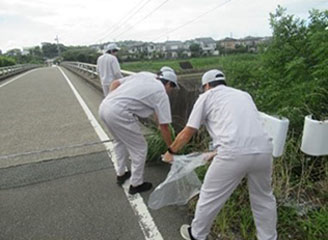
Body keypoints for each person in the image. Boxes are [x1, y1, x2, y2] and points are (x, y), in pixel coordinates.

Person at [163, 69, 277, 240]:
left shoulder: (207, 96)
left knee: (210, 196)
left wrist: (170, 151)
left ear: (207, 85)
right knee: (264, 198)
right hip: (264, 150)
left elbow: (188, 131)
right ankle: (268, 237)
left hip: (232, 153)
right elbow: (240, 129)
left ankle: (196, 234)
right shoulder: (244, 95)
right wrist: (216, 152)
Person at [99, 70, 179, 194]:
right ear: (168, 83)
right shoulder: (161, 93)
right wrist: (171, 149)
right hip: (120, 112)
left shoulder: (145, 75)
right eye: (172, 87)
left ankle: (121, 174)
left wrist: (113, 103)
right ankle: (136, 184)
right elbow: (165, 127)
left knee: (119, 141)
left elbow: (115, 83)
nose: (171, 90)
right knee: (140, 148)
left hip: (105, 106)